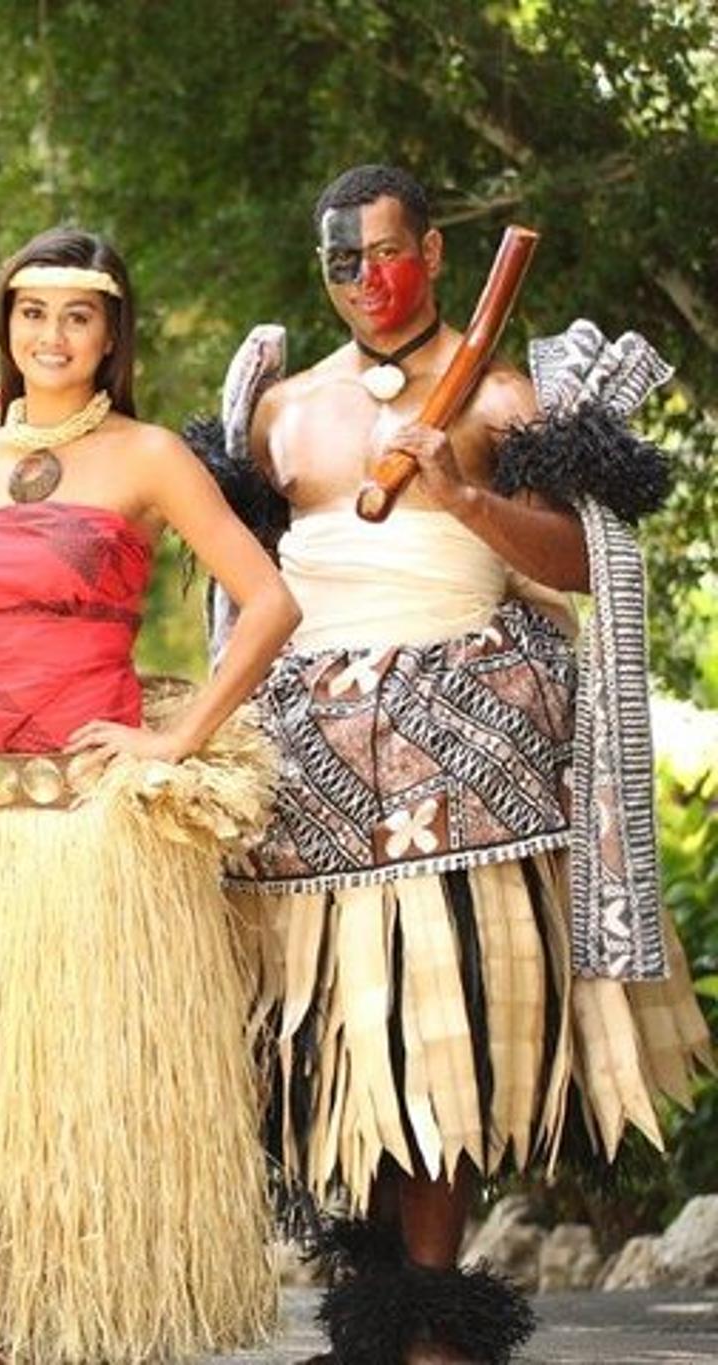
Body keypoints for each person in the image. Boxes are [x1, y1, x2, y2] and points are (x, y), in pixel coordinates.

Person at [199, 163, 713, 1365]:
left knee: (443, 1025)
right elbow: (241, 582)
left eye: (384, 253)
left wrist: (462, 498)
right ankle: (371, 1306)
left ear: (430, 254)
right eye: (340, 261)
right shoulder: (281, 410)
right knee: (332, 1032)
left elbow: (578, 562)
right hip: (305, 746)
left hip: (466, 737)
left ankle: (430, 1314)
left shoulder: (503, 396)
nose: (364, 280)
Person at [0, 227, 297, 1364]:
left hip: (97, 829)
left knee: (100, 1088)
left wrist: (174, 736)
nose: (52, 335)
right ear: (6, 327)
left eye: (77, 316)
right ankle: (0, 1317)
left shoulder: (147, 456)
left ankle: (115, 1319)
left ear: (109, 334)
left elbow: (269, 602)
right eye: (32, 313)